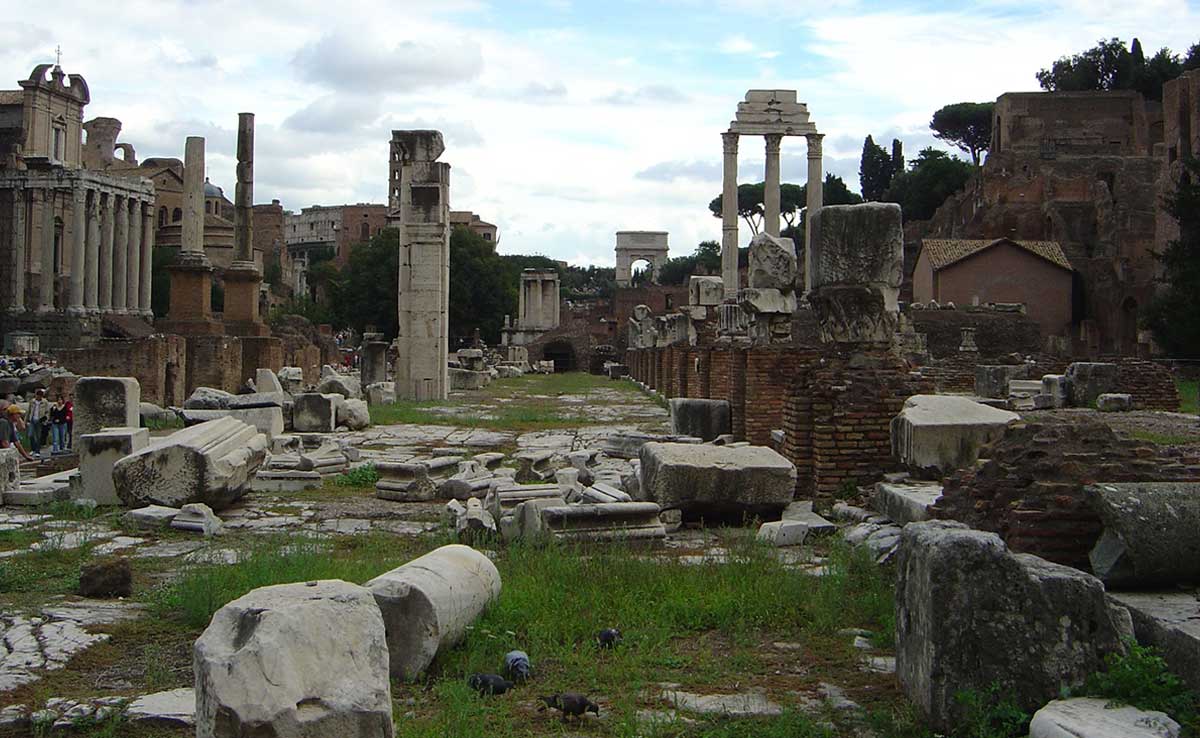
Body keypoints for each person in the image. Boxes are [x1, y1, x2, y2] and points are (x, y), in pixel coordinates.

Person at [26, 389, 48, 459]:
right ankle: (33, 449)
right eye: (38, 396)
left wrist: (45, 420)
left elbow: (47, 412)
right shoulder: (32, 401)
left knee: (38, 436)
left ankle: (37, 451)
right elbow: (28, 411)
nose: (39, 397)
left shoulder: (45, 402)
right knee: (31, 435)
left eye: (40, 396)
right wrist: (26, 421)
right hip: (32, 419)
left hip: (39, 420)